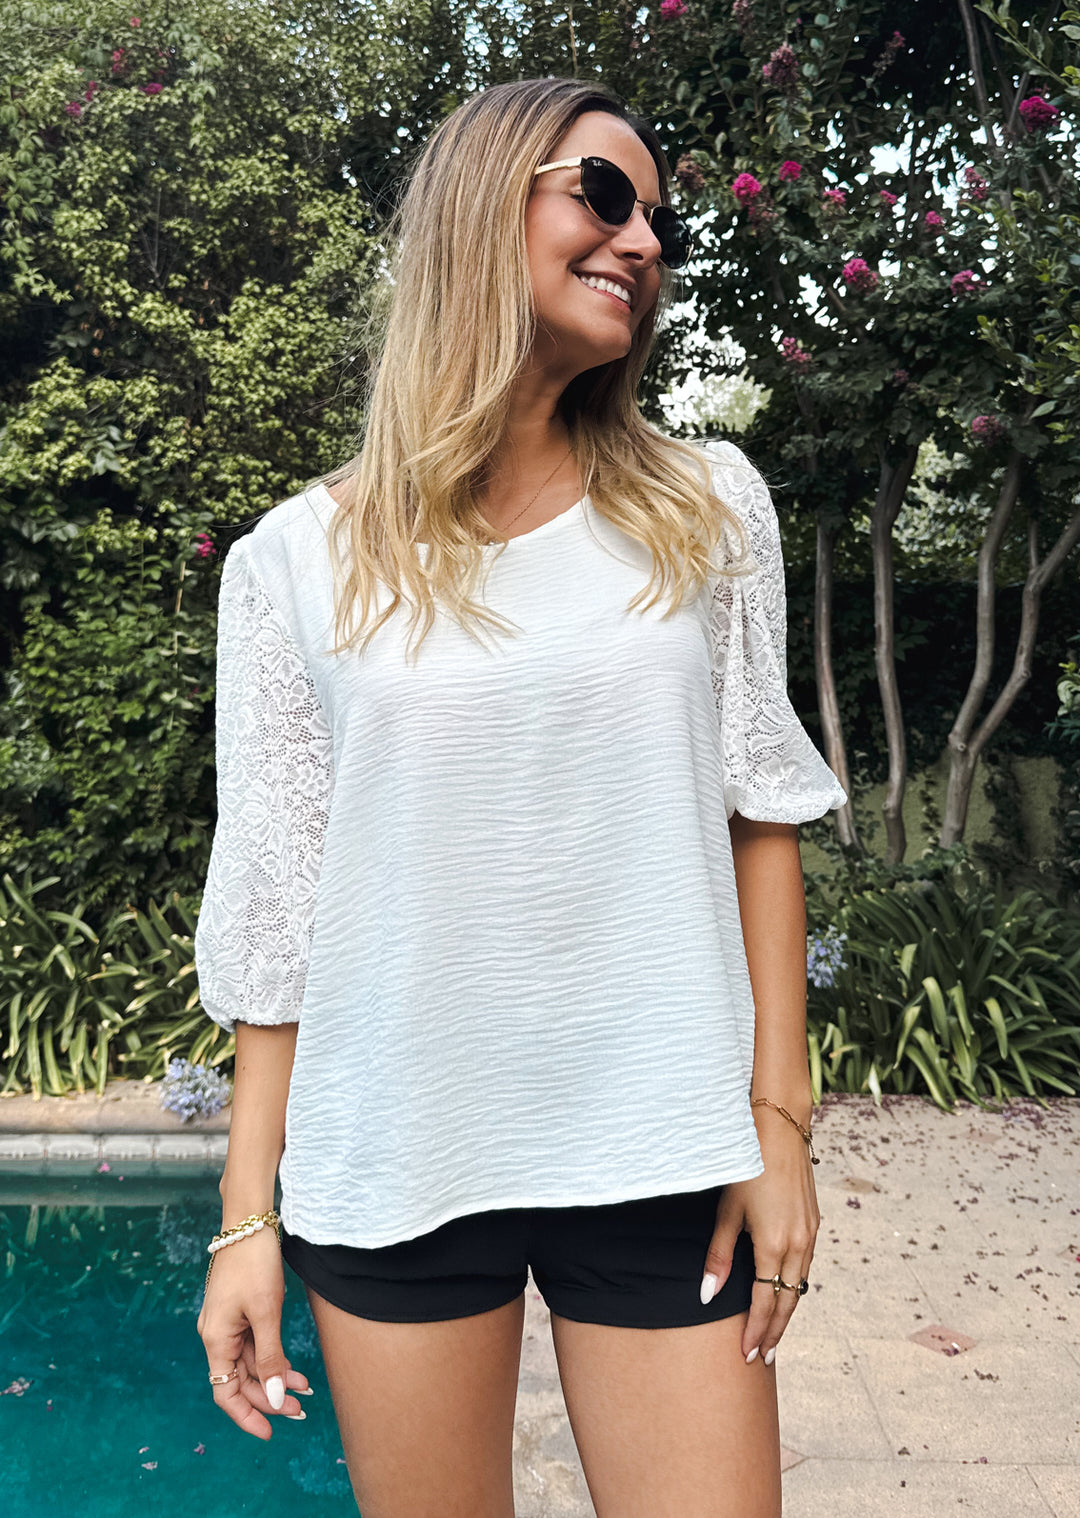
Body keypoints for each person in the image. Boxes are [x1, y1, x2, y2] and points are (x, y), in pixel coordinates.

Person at [194, 76, 846, 1518]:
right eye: (603, 195)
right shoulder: (291, 564)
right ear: (486, 208)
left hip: (665, 1145)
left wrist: (780, 1123)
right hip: (397, 1150)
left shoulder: (707, 506)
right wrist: (246, 1217)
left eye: (658, 218)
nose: (643, 241)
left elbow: (760, 812)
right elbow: (279, 912)